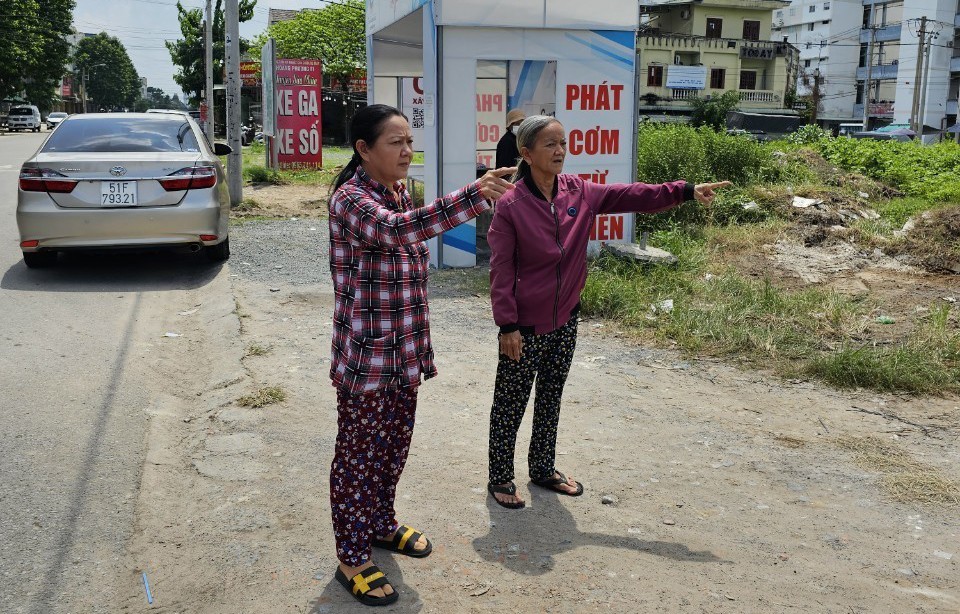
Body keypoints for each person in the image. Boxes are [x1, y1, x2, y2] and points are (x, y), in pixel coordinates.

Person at [485, 115, 730, 508]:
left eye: (563, 142)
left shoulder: (578, 191)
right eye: (550, 145)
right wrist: (507, 326)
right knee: (511, 401)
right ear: (526, 153)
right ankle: (500, 476)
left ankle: (543, 467)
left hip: (565, 319)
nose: (560, 151)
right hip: (524, 326)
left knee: (551, 395)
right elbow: (501, 270)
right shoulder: (511, 206)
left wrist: (685, 191)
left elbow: (631, 195)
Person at [327, 104, 516, 605]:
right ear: (364, 150)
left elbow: (408, 226)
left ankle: (382, 523)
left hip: (403, 352)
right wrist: (474, 196)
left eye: (409, 141)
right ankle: (352, 554)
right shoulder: (351, 199)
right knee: (357, 456)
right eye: (395, 143)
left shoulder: (395, 190)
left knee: (393, 445)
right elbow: (396, 230)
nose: (407, 151)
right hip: (367, 359)